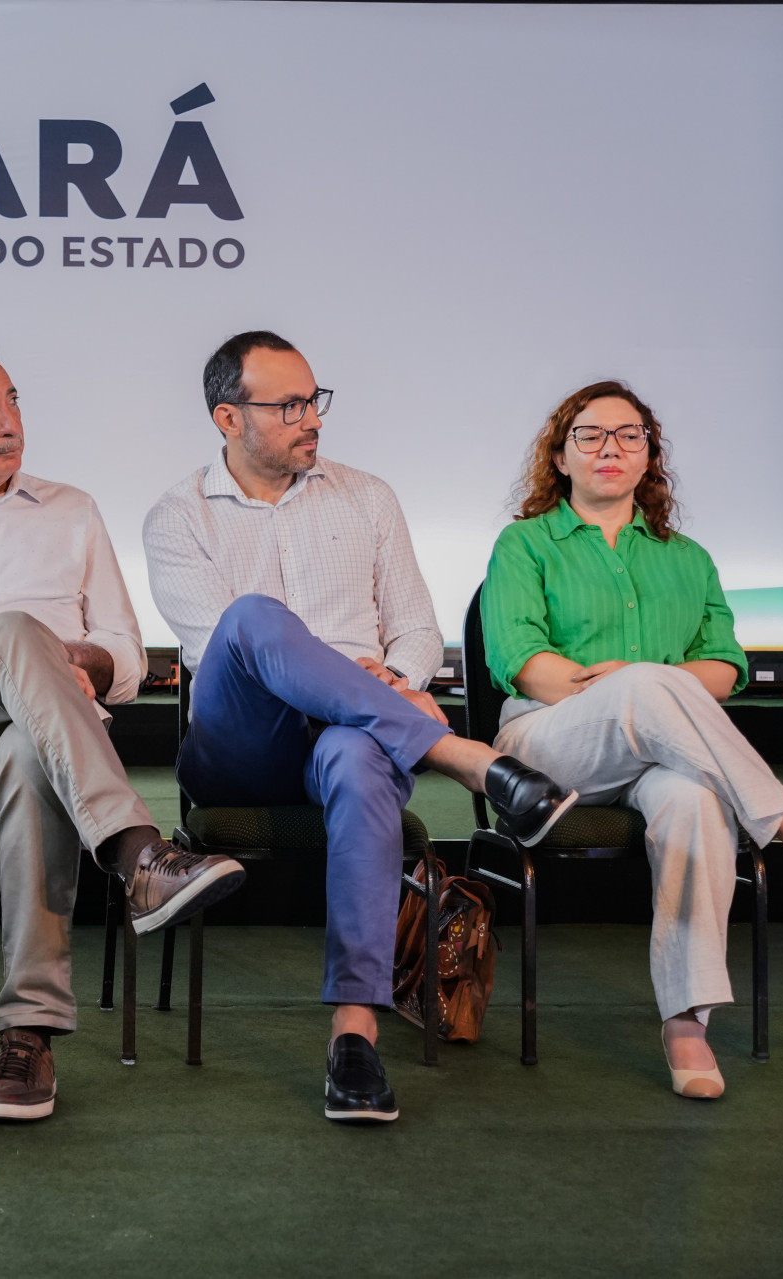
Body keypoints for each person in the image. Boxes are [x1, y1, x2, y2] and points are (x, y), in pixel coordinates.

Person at [143, 330, 577, 1125]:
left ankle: (356, 1034)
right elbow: (218, 648)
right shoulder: (178, 516)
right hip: (243, 743)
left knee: (354, 751)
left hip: (358, 734)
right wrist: (375, 690)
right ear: (227, 418)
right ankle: (468, 761)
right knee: (252, 618)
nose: (312, 418)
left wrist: (396, 678)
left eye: (315, 399)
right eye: (288, 406)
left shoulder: (368, 496)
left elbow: (416, 630)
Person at [481, 379, 783, 1099]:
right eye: (590, 435)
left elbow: (725, 666)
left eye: (629, 435)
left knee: (694, 797)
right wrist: (637, 684)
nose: (610, 448)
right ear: (560, 457)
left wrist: (649, 682)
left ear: (648, 456)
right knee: (648, 684)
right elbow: (526, 665)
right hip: (549, 748)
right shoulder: (524, 544)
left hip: (665, 752)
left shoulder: (687, 558)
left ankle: (685, 1020)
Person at [0, 337, 247, 1122]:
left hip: (50, 736)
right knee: (13, 634)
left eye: (13, 401)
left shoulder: (74, 508)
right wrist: (19, 652)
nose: (10, 424)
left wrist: (80, 665)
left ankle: (27, 1036)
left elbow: (130, 654)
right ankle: (137, 852)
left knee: (30, 746)